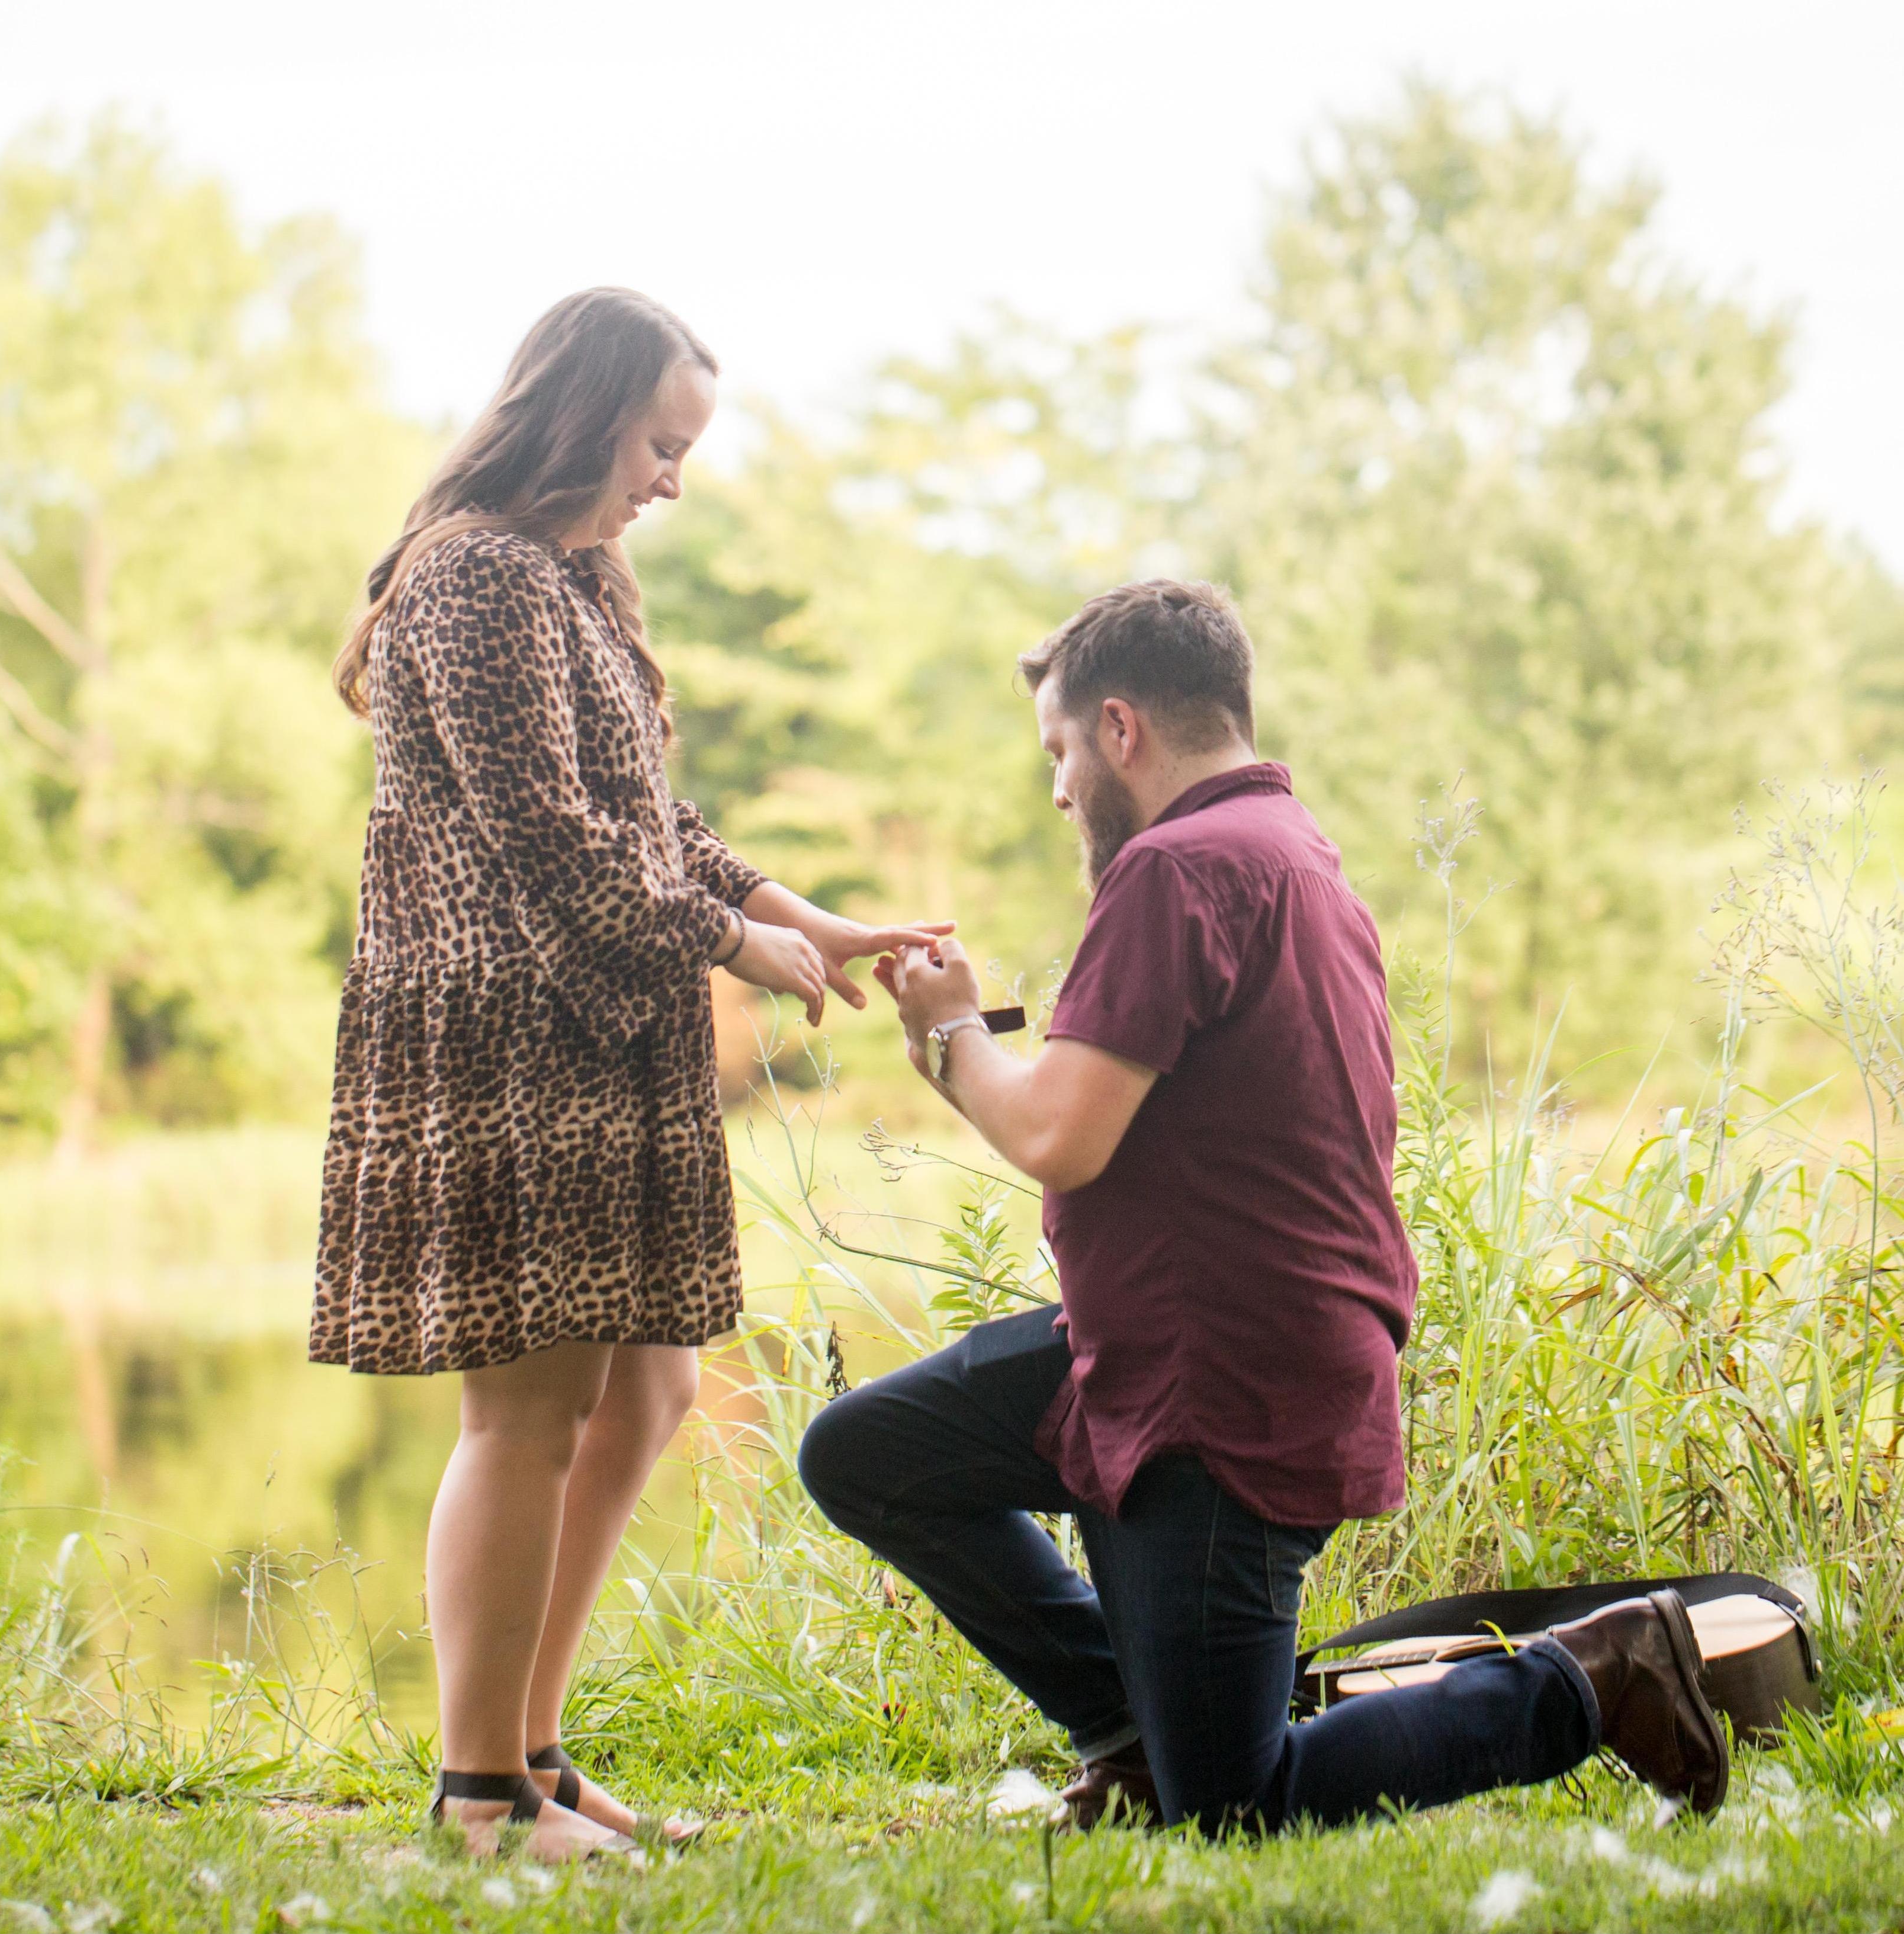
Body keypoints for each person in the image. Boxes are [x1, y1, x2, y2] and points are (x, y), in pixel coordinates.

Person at [798, 579, 1728, 1836]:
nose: (1060, 790)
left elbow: (1058, 1138)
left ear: (1121, 728)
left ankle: (1588, 1675)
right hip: (1147, 1352)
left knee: (1240, 1803)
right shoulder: (1293, 855)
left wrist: (952, 1032)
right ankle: (1131, 1728)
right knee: (867, 1452)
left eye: (1062, 753)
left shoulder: (1174, 870)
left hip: (1223, 1391)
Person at [312, 288, 948, 1862]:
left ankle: (525, 1755)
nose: (672, 476)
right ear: (581, 413)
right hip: (511, 1036)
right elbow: (544, 832)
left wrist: (806, 916)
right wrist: (734, 947)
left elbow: (651, 821)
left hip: (606, 1033)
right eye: (661, 442)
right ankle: (478, 1800)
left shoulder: (577, 578)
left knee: (649, 1387)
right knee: (524, 1412)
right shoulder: (471, 577)